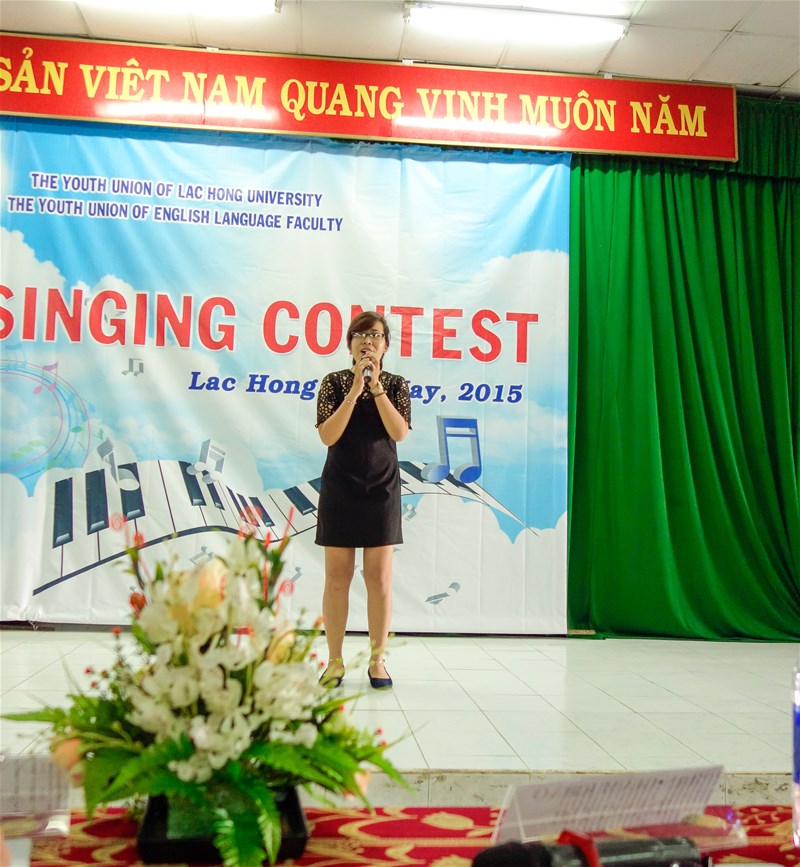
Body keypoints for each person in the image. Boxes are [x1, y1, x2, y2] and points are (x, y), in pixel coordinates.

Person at [315, 311, 411, 689]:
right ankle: (334, 661)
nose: (367, 341)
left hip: (381, 489)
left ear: (386, 346)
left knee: (379, 578)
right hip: (341, 487)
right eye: (359, 335)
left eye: (375, 335)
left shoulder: (397, 385)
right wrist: (355, 390)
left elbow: (399, 433)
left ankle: (377, 660)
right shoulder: (334, 383)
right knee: (337, 577)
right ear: (349, 344)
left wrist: (376, 388)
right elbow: (328, 436)